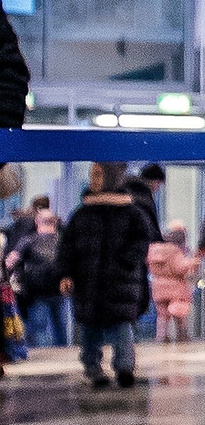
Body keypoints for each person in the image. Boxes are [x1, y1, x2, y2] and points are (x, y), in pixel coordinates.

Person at [60, 160, 153, 388]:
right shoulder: (82, 214)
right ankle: (93, 368)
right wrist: (65, 273)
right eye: (92, 174)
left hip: (120, 282)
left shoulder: (131, 213)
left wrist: (126, 263)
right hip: (87, 282)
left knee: (122, 327)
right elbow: (67, 247)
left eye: (98, 174)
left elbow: (141, 241)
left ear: (111, 177)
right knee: (89, 329)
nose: (93, 179)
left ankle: (124, 367)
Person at [9, 199, 72, 350]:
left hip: (37, 291)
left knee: (40, 332)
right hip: (59, 290)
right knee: (61, 330)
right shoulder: (63, 240)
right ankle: (63, 358)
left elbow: (10, 261)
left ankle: (42, 358)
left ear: (37, 221)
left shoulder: (28, 240)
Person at [145, 228, 201, 342]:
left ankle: (162, 336)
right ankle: (182, 334)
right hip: (175, 288)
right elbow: (179, 267)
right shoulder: (174, 251)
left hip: (158, 287)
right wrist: (192, 263)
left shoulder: (152, 250)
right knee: (179, 314)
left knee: (162, 315)